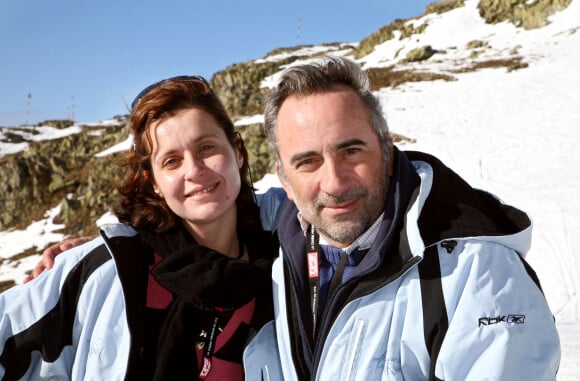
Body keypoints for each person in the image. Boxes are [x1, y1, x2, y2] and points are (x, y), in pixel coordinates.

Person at [242, 56, 560, 380]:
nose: (335, 183)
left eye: (351, 151)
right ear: (284, 179)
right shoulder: (279, 249)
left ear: (387, 151)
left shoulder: (475, 271)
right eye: (308, 161)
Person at [0, 75, 286, 380]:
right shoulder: (111, 271)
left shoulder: (288, 255)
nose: (194, 170)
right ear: (154, 183)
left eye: (207, 147)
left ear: (238, 151)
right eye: (172, 161)